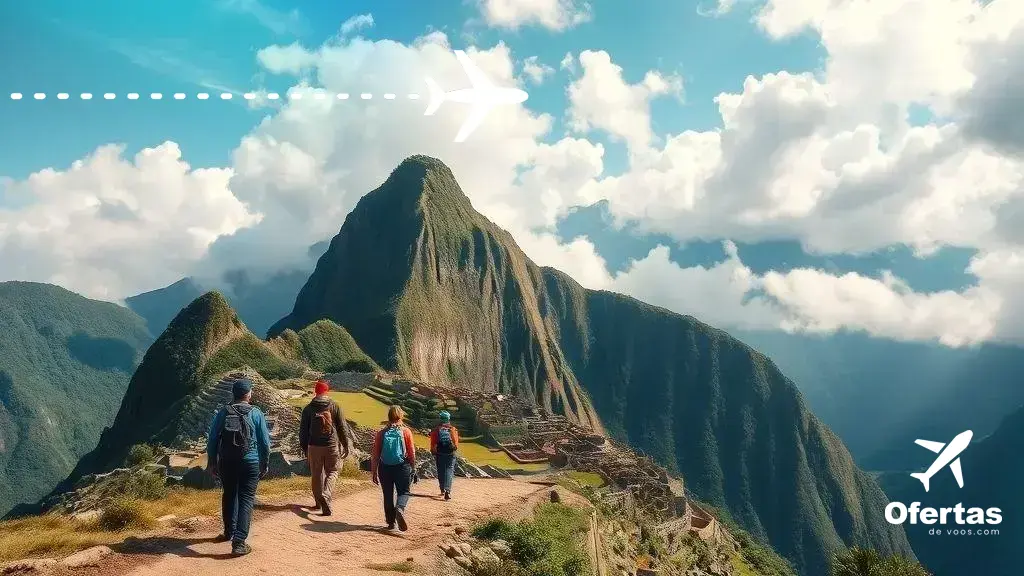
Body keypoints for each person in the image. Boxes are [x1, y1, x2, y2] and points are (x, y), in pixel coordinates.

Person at [206, 377, 272, 557]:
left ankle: (229, 532)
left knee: (229, 494)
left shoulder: (223, 412)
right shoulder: (256, 413)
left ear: (233, 394)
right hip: (250, 461)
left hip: (227, 461)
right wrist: (264, 463)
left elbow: (212, 439)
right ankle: (239, 542)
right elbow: (265, 442)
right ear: (248, 394)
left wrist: (212, 462)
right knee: (246, 498)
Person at [299, 379, 351, 516]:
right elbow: (342, 428)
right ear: (327, 392)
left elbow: (303, 431)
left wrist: (305, 448)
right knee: (333, 471)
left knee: (316, 475)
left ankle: (318, 503)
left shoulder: (308, 409)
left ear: (315, 392)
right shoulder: (335, 406)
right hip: (331, 445)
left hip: (313, 446)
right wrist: (345, 445)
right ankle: (326, 494)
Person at [371, 405, 417, 531]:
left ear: (389, 416)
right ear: (401, 416)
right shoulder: (406, 432)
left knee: (387, 494)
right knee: (404, 491)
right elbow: (411, 451)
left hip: (385, 467)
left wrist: (374, 471)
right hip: (402, 466)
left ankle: (391, 523)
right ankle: (400, 509)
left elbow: (375, 454)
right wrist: (413, 466)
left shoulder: (381, 433)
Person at [429, 410, 460, 500]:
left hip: (440, 453)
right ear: (448, 419)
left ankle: (442, 489)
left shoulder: (435, 430)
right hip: (450, 453)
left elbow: (433, 444)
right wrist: (453, 449)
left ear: (440, 419)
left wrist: (433, 452)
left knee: (441, 470)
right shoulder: (453, 429)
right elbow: (456, 444)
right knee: (449, 470)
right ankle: (447, 490)